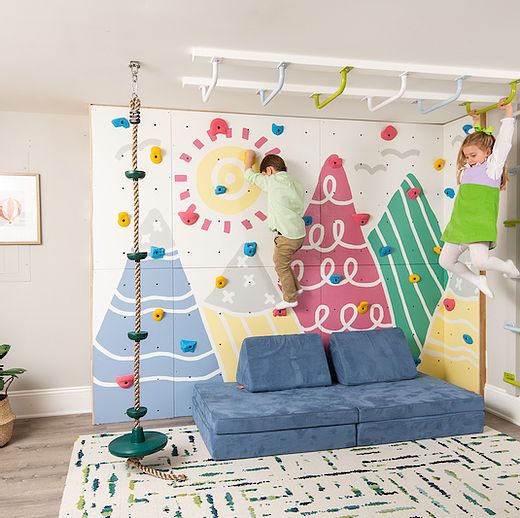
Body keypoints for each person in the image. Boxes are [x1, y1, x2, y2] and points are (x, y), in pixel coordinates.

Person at [439, 98, 518, 298]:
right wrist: (475, 123)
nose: (468, 159)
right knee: (445, 261)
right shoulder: (467, 170)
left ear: (488, 153)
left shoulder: (492, 169)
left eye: (472, 156)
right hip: (459, 224)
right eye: (466, 156)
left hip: (478, 225)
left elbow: (504, 143)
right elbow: (477, 142)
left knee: (480, 262)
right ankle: (477, 280)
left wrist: (508, 114)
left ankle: (507, 267)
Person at [244, 151, 306, 309]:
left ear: (270, 171)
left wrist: (249, 159)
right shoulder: (295, 182)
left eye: (265, 173)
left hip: (287, 236)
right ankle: (296, 288)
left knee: (280, 265)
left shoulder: (273, 181)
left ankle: (290, 298)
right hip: (299, 233)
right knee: (284, 263)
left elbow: (249, 176)